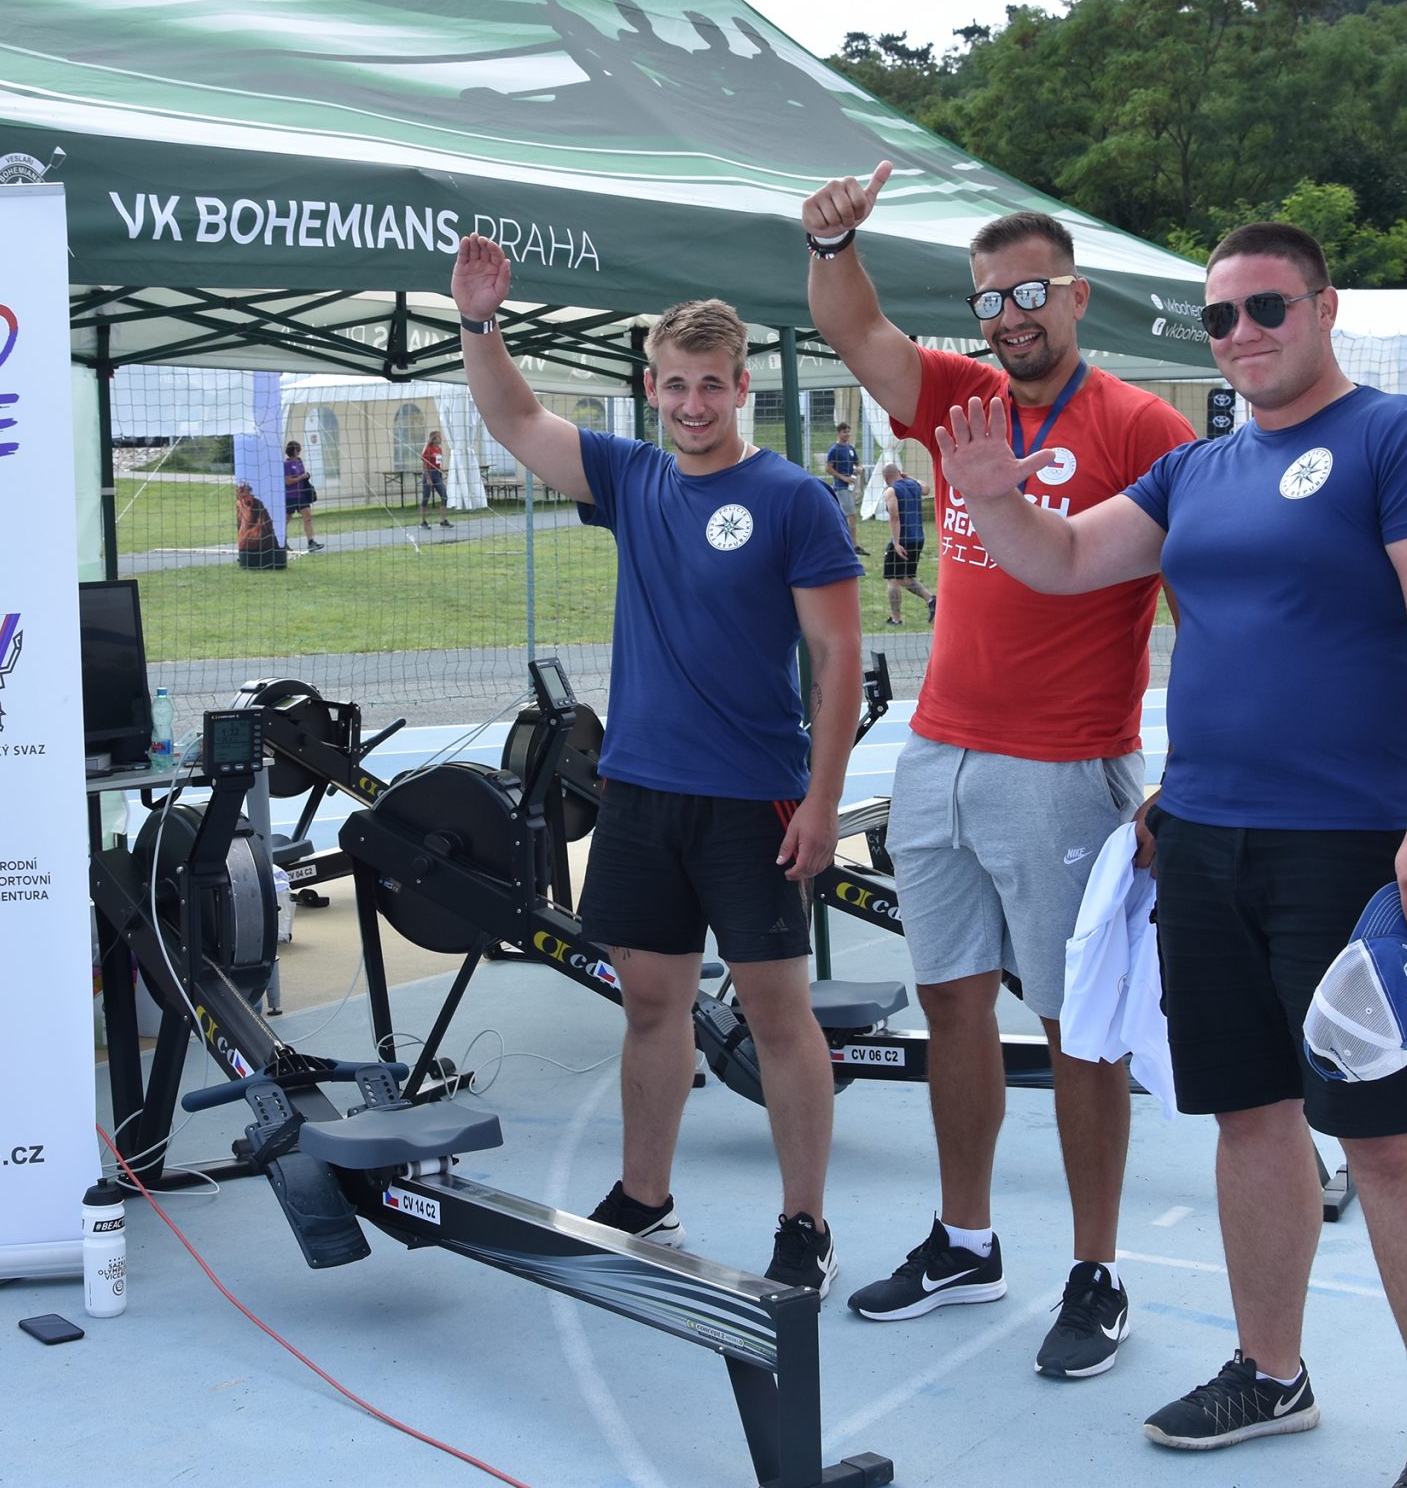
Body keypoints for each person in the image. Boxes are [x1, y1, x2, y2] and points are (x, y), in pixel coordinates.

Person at [929, 220, 1407, 1486]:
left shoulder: (1398, 442)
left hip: (1356, 852)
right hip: (1202, 840)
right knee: (1250, 1120)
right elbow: (1066, 559)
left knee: (1389, 1137)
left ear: (1321, 307)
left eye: (1265, 308)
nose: (1241, 334)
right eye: (1219, 318)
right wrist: (988, 497)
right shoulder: (1198, 472)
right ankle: (1270, 1371)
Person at [802, 165, 1196, 1379]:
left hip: (1066, 770)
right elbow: (856, 331)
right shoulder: (963, 397)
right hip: (940, 757)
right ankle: (967, 1240)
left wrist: (1180, 775)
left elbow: (1202, 607)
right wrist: (831, 243)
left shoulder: (1140, 428)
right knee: (951, 1000)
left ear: (1074, 295)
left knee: (1078, 1027)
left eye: (1029, 291)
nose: (1008, 315)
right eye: (987, 298)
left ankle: (1096, 1267)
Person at [450, 232, 863, 1300]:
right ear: (651, 389)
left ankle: (805, 1221)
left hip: (754, 797)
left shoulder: (790, 499)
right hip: (639, 791)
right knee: (647, 1000)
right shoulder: (632, 477)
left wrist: (821, 802)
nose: (692, 403)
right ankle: (646, 1197)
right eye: (674, 385)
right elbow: (514, 420)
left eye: (711, 387)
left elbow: (838, 657)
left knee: (776, 1015)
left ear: (741, 392)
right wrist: (481, 325)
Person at [877, 463, 936, 625]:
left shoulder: (891, 490)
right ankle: (932, 600)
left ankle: (896, 618)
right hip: (918, 538)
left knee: (893, 579)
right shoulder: (914, 485)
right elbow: (926, 489)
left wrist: (896, 543)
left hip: (902, 540)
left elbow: (894, 517)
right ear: (900, 473)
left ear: (885, 478)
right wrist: (908, 478)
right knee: (907, 577)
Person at [824, 423, 865, 552]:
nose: (847, 434)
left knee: (843, 515)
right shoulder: (834, 450)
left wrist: (859, 469)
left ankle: (845, 542)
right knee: (851, 514)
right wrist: (843, 478)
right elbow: (828, 468)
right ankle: (853, 545)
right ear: (838, 433)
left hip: (850, 486)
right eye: (844, 432)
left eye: (848, 432)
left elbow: (857, 464)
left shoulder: (851, 448)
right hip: (841, 487)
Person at [282, 441, 325, 552]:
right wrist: (301, 477)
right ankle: (282, 542)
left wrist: (306, 476)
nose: (300, 452)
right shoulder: (286, 464)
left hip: (301, 494)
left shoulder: (299, 461)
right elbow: (288, 481)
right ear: (294, 451)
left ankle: (311, 542)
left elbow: (302, 474)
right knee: (286, 519)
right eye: (298, 450)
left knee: (308, 517)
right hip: (290, 496)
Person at [233, 482, 279, 569]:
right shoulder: (240, 504)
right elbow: (241, 522)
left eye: (243, 492)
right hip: (248, 535)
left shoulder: (257, 504)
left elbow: (263, 523)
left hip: (260, 536)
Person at [419, 428, 453, 529]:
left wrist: (442, 470)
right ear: (434, 439)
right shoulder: (428, 449)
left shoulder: (439, 449)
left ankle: (443, 520)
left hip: (437, 474)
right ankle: (423, 521)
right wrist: (428, 478)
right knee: (426, 497)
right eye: (438, 437)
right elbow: (425, 465)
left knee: (444, 495)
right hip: (428, 474)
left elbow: (437, 463)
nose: (440, 439)